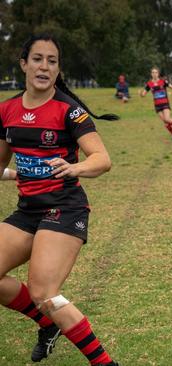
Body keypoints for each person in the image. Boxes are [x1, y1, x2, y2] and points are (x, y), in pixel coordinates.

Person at [0, 34, 119, 366]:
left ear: (57, 69)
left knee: (44, 293)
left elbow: (102, 159)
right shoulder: (6, 110)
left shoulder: (70, 111)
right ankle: (46, 324)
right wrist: (17, 176)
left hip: (65, 209)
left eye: (52, 61)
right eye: (37, 59)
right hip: (28, 211)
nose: (44, 66)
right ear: (24, 64)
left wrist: (74, 166)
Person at [140, 67, 172, 139]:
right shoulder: (149, 84)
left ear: (158, 74)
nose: (154, 74)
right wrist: (141, 94)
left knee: (167, 118)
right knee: (165, 122)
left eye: (156, 72)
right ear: (151, 74)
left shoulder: (163, 81)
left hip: (165, 103)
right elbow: (143, 94)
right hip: (157, 105)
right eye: (153, 72)